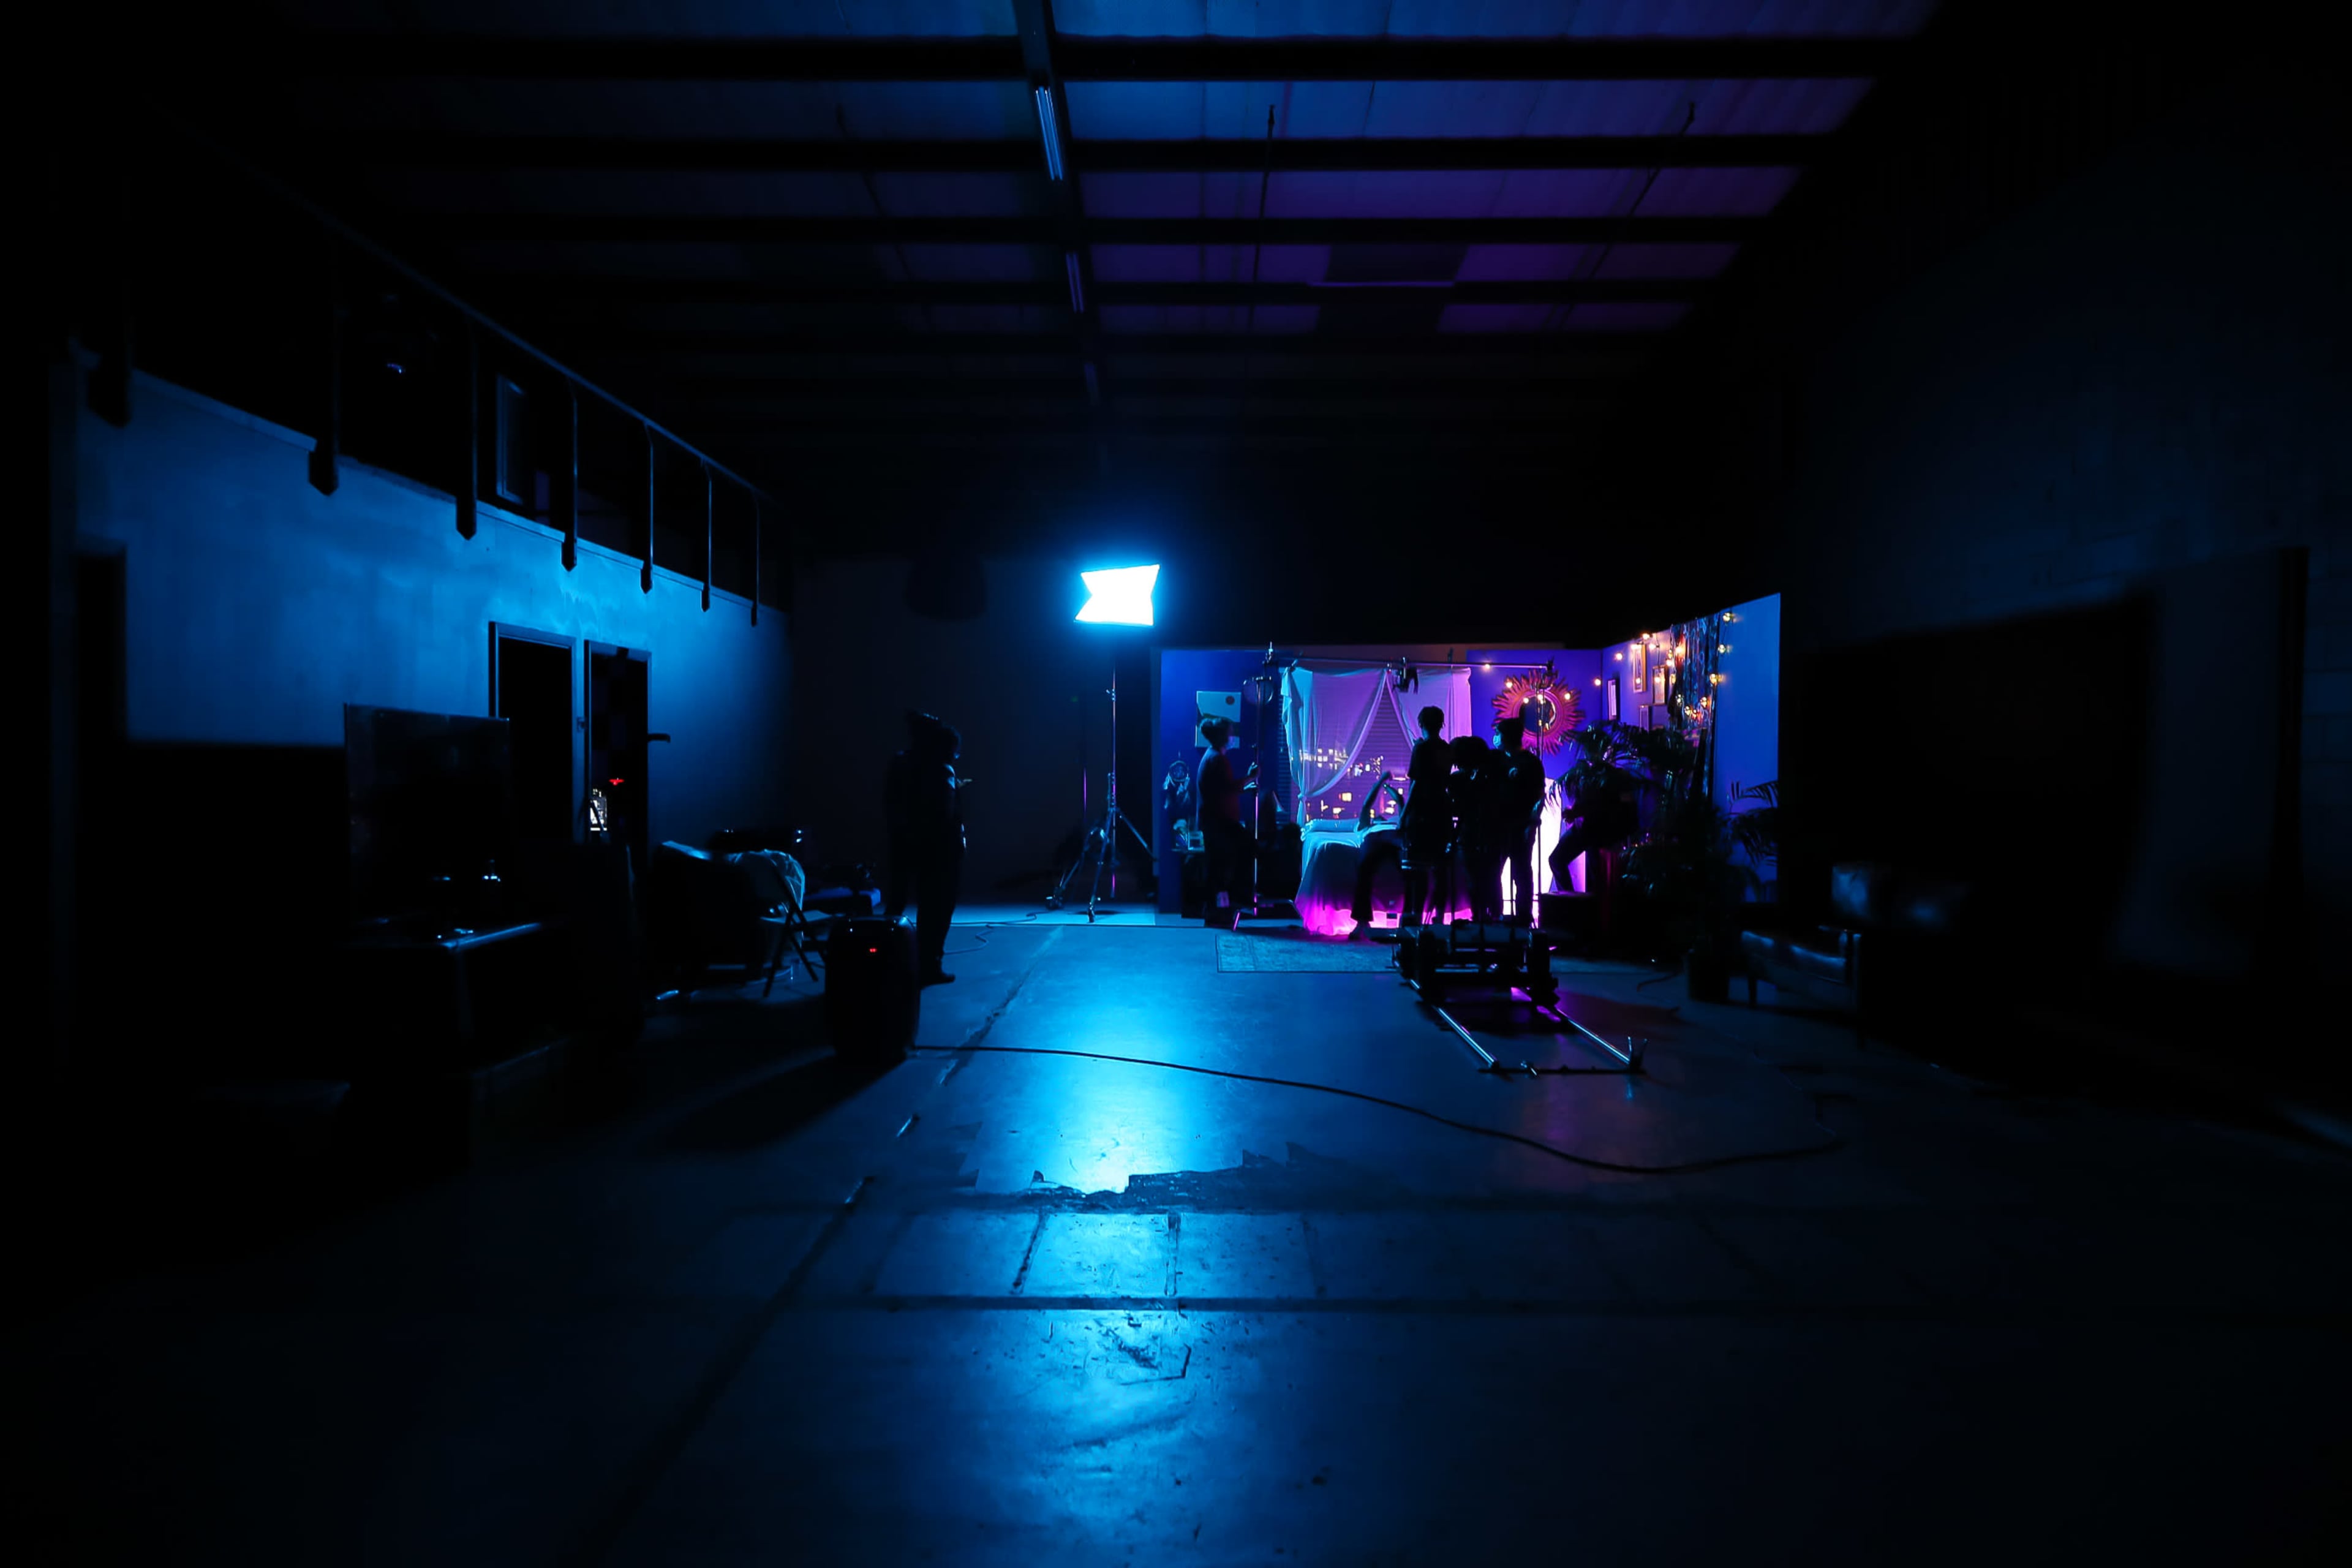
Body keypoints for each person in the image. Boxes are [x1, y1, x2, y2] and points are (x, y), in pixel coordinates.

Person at [884, 710, 965, 985]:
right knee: (937, 909)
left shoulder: (901, 763)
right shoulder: (940, 770)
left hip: (904, 845)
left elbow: (892, 805)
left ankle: (889, 961)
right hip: (938, 852)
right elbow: (943, 815)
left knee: (897, 905)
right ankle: (929, 964)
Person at [1196, 717, 1254, 927]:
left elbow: (1222, 788)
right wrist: (1250, 778)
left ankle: (1217, 912)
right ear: (1223, 736)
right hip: (1219, 824)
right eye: (1230, 733)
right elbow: (1228, 788)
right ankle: (1225, 909)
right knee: (1222, 869)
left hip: (1214, 823)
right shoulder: (1217, 759)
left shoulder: (1211, 757)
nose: (1233, 738)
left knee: (1217, 870)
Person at [1396, 706, 1452, 929]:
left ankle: (1415, 918)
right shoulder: (1447, 749)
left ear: (1421, 723)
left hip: (1422, 814)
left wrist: (1404, 815)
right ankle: (1438, 918)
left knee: (1418, 870)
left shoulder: (1421, 749)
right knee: (1440, 869)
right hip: (1442, 811)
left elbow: (1416, 784)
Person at [1490, 715, 1547, 924]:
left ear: (1506, 736)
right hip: (1499, 825)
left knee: (1521, 872)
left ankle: (1523, 915)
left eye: (1498, 734)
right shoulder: (1498, 760)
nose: (1495, 738)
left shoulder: (1530, 763)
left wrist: (1532, 824)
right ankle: (1496, 914)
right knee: (1494, 871)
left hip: (1521, 825)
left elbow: (1540, 796)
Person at [1450, 733, 1502, 923]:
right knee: (1491, 876)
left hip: (1471, 833)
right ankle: (1493, 916)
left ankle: (1480, 916)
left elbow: (1457, 807)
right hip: (1488, 832)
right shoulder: (1491, 774)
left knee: (1475, 877)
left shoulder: (1461, 779)